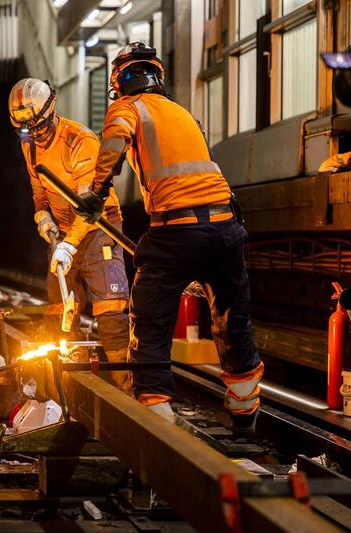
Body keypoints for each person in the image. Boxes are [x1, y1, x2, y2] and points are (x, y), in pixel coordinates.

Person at [74, 43, 263, 433]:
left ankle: (156, 410)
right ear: (158, 76)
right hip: (226, 226)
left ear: (118, 82)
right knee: (232, 316)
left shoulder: (128, 107)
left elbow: (113, 144)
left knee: (150, 318)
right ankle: (244, 408)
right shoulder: (183, 113)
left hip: (175, 228)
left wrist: (96, 190)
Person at [8, 78, 132, 393]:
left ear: (51, 110)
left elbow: (90, 208)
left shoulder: (80, 142)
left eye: (38, 127)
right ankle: (70, 387)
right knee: (60, 311)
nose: (34, 134)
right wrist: (42, 213)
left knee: (110, 314)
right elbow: (39, 186)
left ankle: (127, 391)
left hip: (100, 228)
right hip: (63, 232)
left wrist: (69, 245)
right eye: (27, 130)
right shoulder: (29, 144)